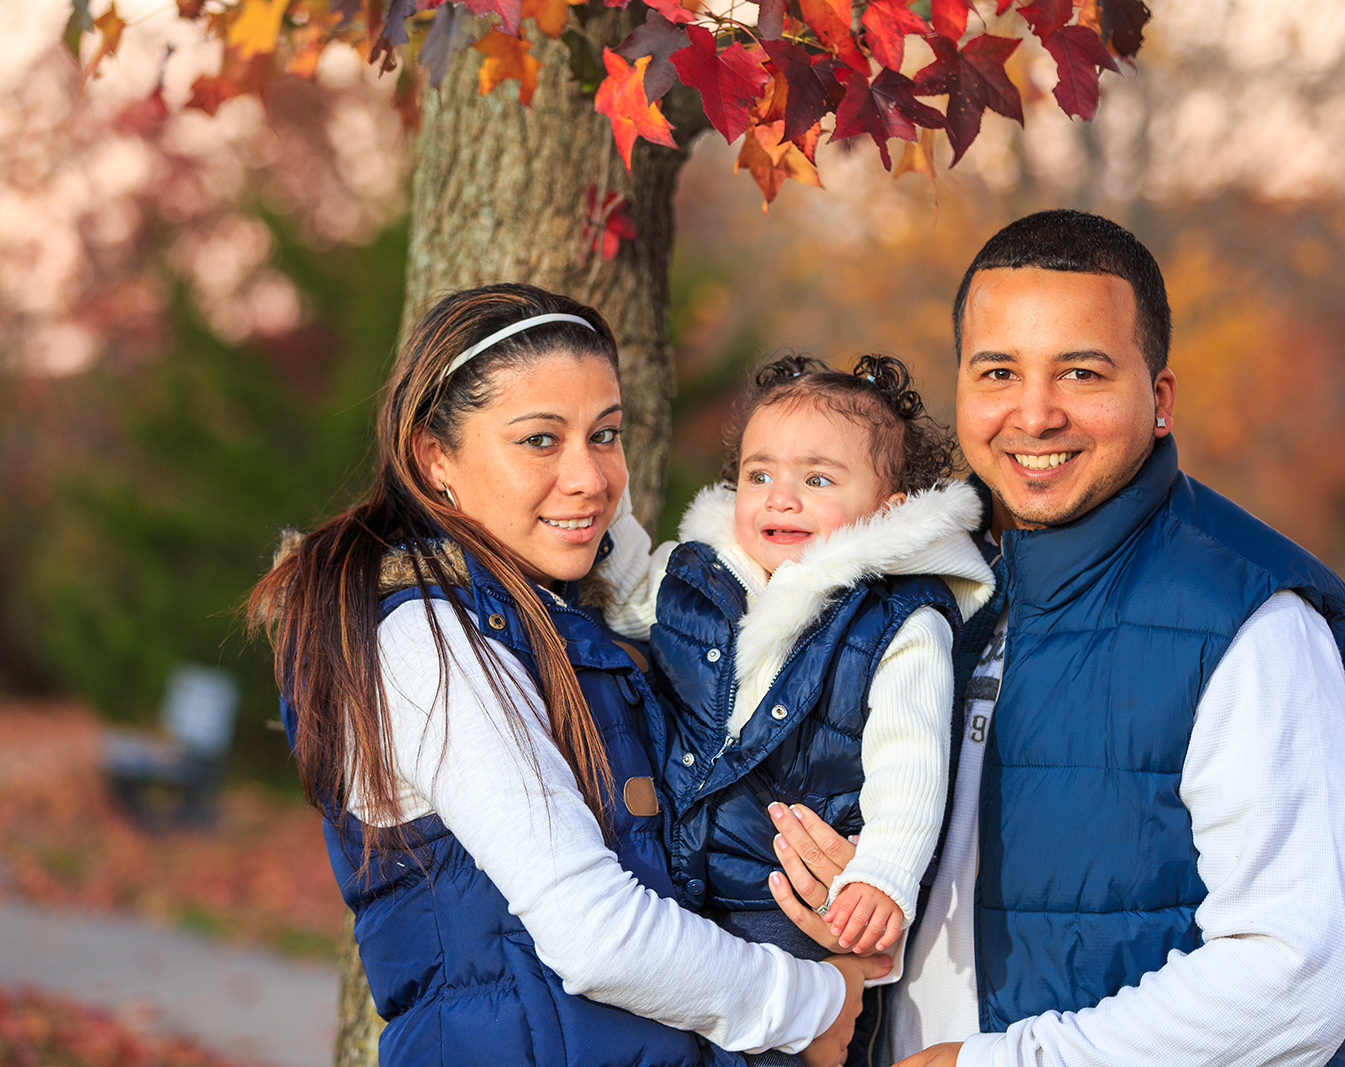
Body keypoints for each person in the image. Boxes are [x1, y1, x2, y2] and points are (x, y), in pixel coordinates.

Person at [766, 211, 1345, 1067]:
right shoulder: (918, 590)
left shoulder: (1251, 623)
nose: (1034, 413)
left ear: (1158, 398)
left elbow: (1296, 968)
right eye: (997, 372)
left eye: (1082, 373)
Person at [248, 283, 887, 1067]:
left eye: (606, 433)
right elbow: (595, 933)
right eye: (540, 440)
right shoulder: (428, 637)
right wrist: (814, 1005)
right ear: (434, 457)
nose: (590, 476)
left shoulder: (560, 616)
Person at [599, 354, 995, 1057]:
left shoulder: (897, 620)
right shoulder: (702, 573)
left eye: (816, 479)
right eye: (760, 474)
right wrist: (607, 502)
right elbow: (629, 591)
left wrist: (883, 874)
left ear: (889, 508)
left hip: (793, 910)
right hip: (678, 892)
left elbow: (912, 762)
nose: (780, 497)